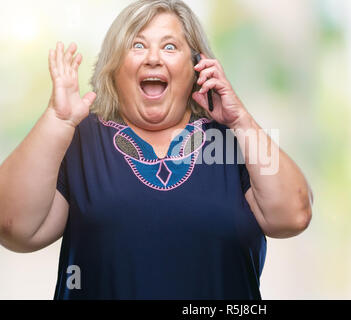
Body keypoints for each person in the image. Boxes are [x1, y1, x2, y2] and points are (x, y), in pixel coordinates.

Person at [0, 0, 313, 299]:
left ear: (197, 68)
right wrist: (57, 120)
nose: (153, 58)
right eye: (137, 45)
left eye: (170, 46)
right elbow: (14, 226)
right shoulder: (77, 140)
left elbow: (294, 216)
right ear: (113, 68)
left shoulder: (236, 140)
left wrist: (240, 119)